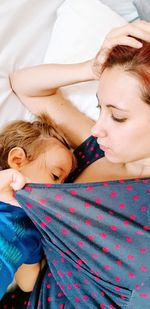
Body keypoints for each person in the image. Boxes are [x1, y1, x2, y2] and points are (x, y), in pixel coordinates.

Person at [4, 21, 150, 308]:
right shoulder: (94, 150)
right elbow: (24, 86)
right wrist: (89, 68)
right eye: (99, 108)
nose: (98, 128)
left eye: (118, 117)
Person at [0, 114, 75, 300]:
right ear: (17, 160)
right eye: (55, 176)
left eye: (63, 185)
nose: (57, 190)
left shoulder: (33, 229)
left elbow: (27, 284)